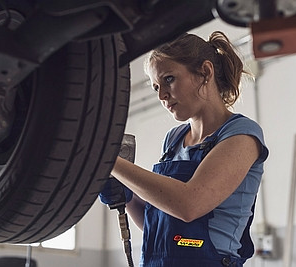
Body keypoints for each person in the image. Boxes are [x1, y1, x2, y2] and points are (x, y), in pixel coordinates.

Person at [100, 31, 269, 267]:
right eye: (156, 87)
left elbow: (189, 204)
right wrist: (127, 197)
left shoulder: (241, 134)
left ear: (205, 72)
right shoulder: (174, 140)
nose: (161, 95)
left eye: (169, 79)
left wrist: (109, 161)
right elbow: (162, 222)